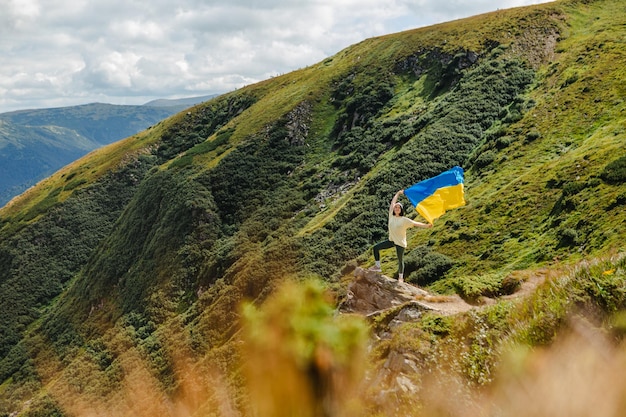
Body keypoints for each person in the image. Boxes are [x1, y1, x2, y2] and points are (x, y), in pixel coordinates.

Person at [370, 190, 432, 282]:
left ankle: (400, 278)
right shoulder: (391, 215)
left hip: (400, 242)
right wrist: (398, 193)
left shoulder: (404, 220)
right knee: (376, 248)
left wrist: (427, 226)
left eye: (399, 207)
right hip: (391, 240)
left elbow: (415, 223)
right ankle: (377, 266)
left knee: (400, 260)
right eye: (396, 207)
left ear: (401, 210)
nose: (396, 208)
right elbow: (393, 202)